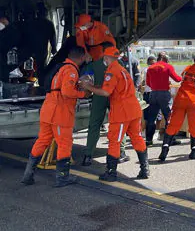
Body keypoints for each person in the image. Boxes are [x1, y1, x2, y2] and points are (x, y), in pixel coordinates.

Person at [79, 46, 149, 182]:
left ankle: (111, 172)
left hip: (122, 112)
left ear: (106, 57)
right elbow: (110, 88)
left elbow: (106, 93)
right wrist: (96, 87)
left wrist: (88, 87)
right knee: (137, 137)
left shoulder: (111, 71)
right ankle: (144, 168)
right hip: (133, 109)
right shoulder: (122, 69)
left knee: (114, 141)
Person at [21, 46, 88, 187]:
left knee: (42, 141)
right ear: (81, 57)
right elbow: (67, 92)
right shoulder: (71, 70)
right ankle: (62, 178)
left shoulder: (60, 67)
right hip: (60, 112)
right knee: (64, 143)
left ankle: (28, 175)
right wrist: (83, 94)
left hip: (48, 109)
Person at [158, 54, 195, 161]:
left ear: (194, 60)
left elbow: (183, 78)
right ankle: (194, 151)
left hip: (180, 99)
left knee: (173, 125)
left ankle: (165, 149)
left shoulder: (187, 68)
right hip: (194, 102)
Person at [81, 42, 129, 166]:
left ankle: (88, 155)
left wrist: (88, 89)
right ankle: (121, 152)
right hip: (115, 98)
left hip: (98, 96)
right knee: (118, 124)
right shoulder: (120, 64)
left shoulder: (94, 65)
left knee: (94, 124)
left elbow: (85, 78)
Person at [145, 52, 182, 145]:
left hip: (153, 94)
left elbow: (148, 83)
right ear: (165, 58)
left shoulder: (150, 68)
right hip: (164, 94)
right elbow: (177, 79)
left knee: (151, 118)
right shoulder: (167, 66)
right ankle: (170, 140)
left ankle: (149, 140)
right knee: (169, 117)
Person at [141, 56, 156, 136]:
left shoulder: (146, 70)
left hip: (147, 93)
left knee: (146, 115)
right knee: (155, 115)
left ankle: (145, 132)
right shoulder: (155, 69)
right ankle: (153, 133)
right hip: (153, 93)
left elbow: (143, 81)